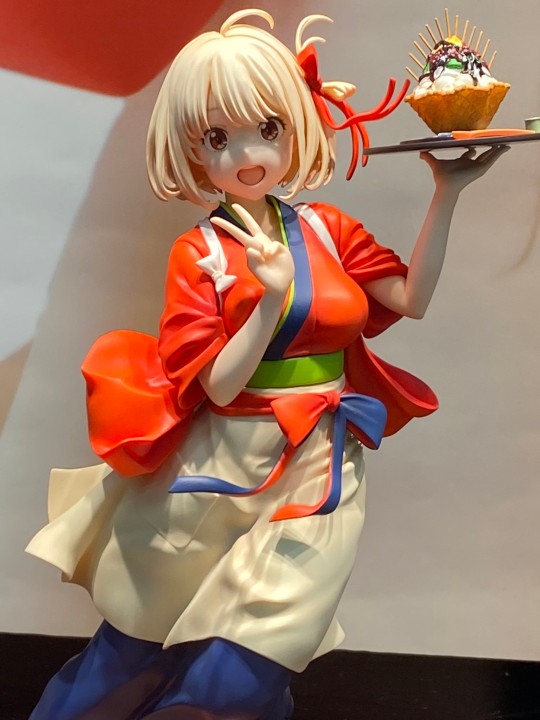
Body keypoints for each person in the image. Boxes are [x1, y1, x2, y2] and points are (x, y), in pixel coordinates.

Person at [27, 9, 507, 720]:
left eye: (268, 129)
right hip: (220, 465)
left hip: (321, 463)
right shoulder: (201, 253)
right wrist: (270, 301)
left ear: (294, 123)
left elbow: (411, 300)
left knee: (248, 664)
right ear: (192, 149)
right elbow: (218, 386)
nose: (247, 155)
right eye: (218, 138)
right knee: (136, 649)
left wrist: (448, 194)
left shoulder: (326, 228)